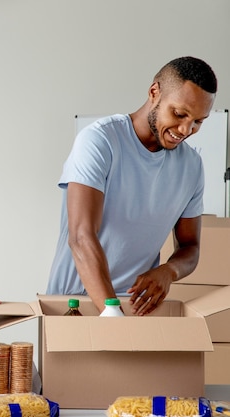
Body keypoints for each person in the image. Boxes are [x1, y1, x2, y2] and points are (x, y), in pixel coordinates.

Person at [46, 56, 218, 316]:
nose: (186, 129)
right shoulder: (100, 141)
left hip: (136, 310)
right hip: (74, 306)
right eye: (179, 114)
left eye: (198, 121)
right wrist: (112, 313)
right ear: (153, 92)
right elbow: (81, 237)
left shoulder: (192, 167)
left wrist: (168, 272)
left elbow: (190, 247)